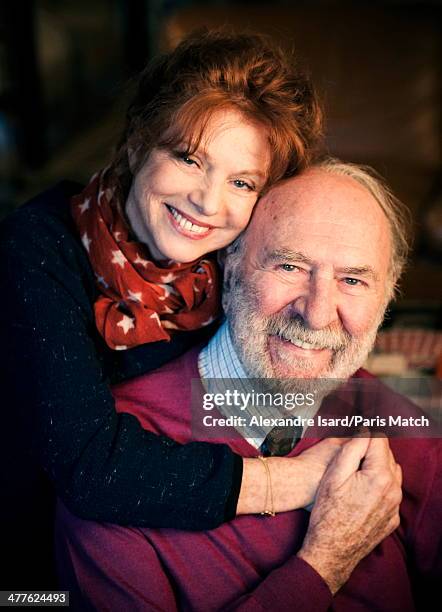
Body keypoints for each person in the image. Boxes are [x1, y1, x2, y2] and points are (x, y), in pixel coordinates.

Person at [0, 30, 325, 586]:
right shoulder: (33, 249)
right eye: (189, 158)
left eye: (242, 181)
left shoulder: (234, 258)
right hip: (36, 559)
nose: (208, 201)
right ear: (136, 143)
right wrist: (296, 482)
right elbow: (90, 467)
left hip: (174, 540)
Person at [55, 160, 441, 611]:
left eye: (353, 280)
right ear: (231, 263)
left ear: (388, 296)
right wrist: (322, 566)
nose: (317, 314)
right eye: (290, 267)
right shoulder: (115, 472)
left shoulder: (390, 418)